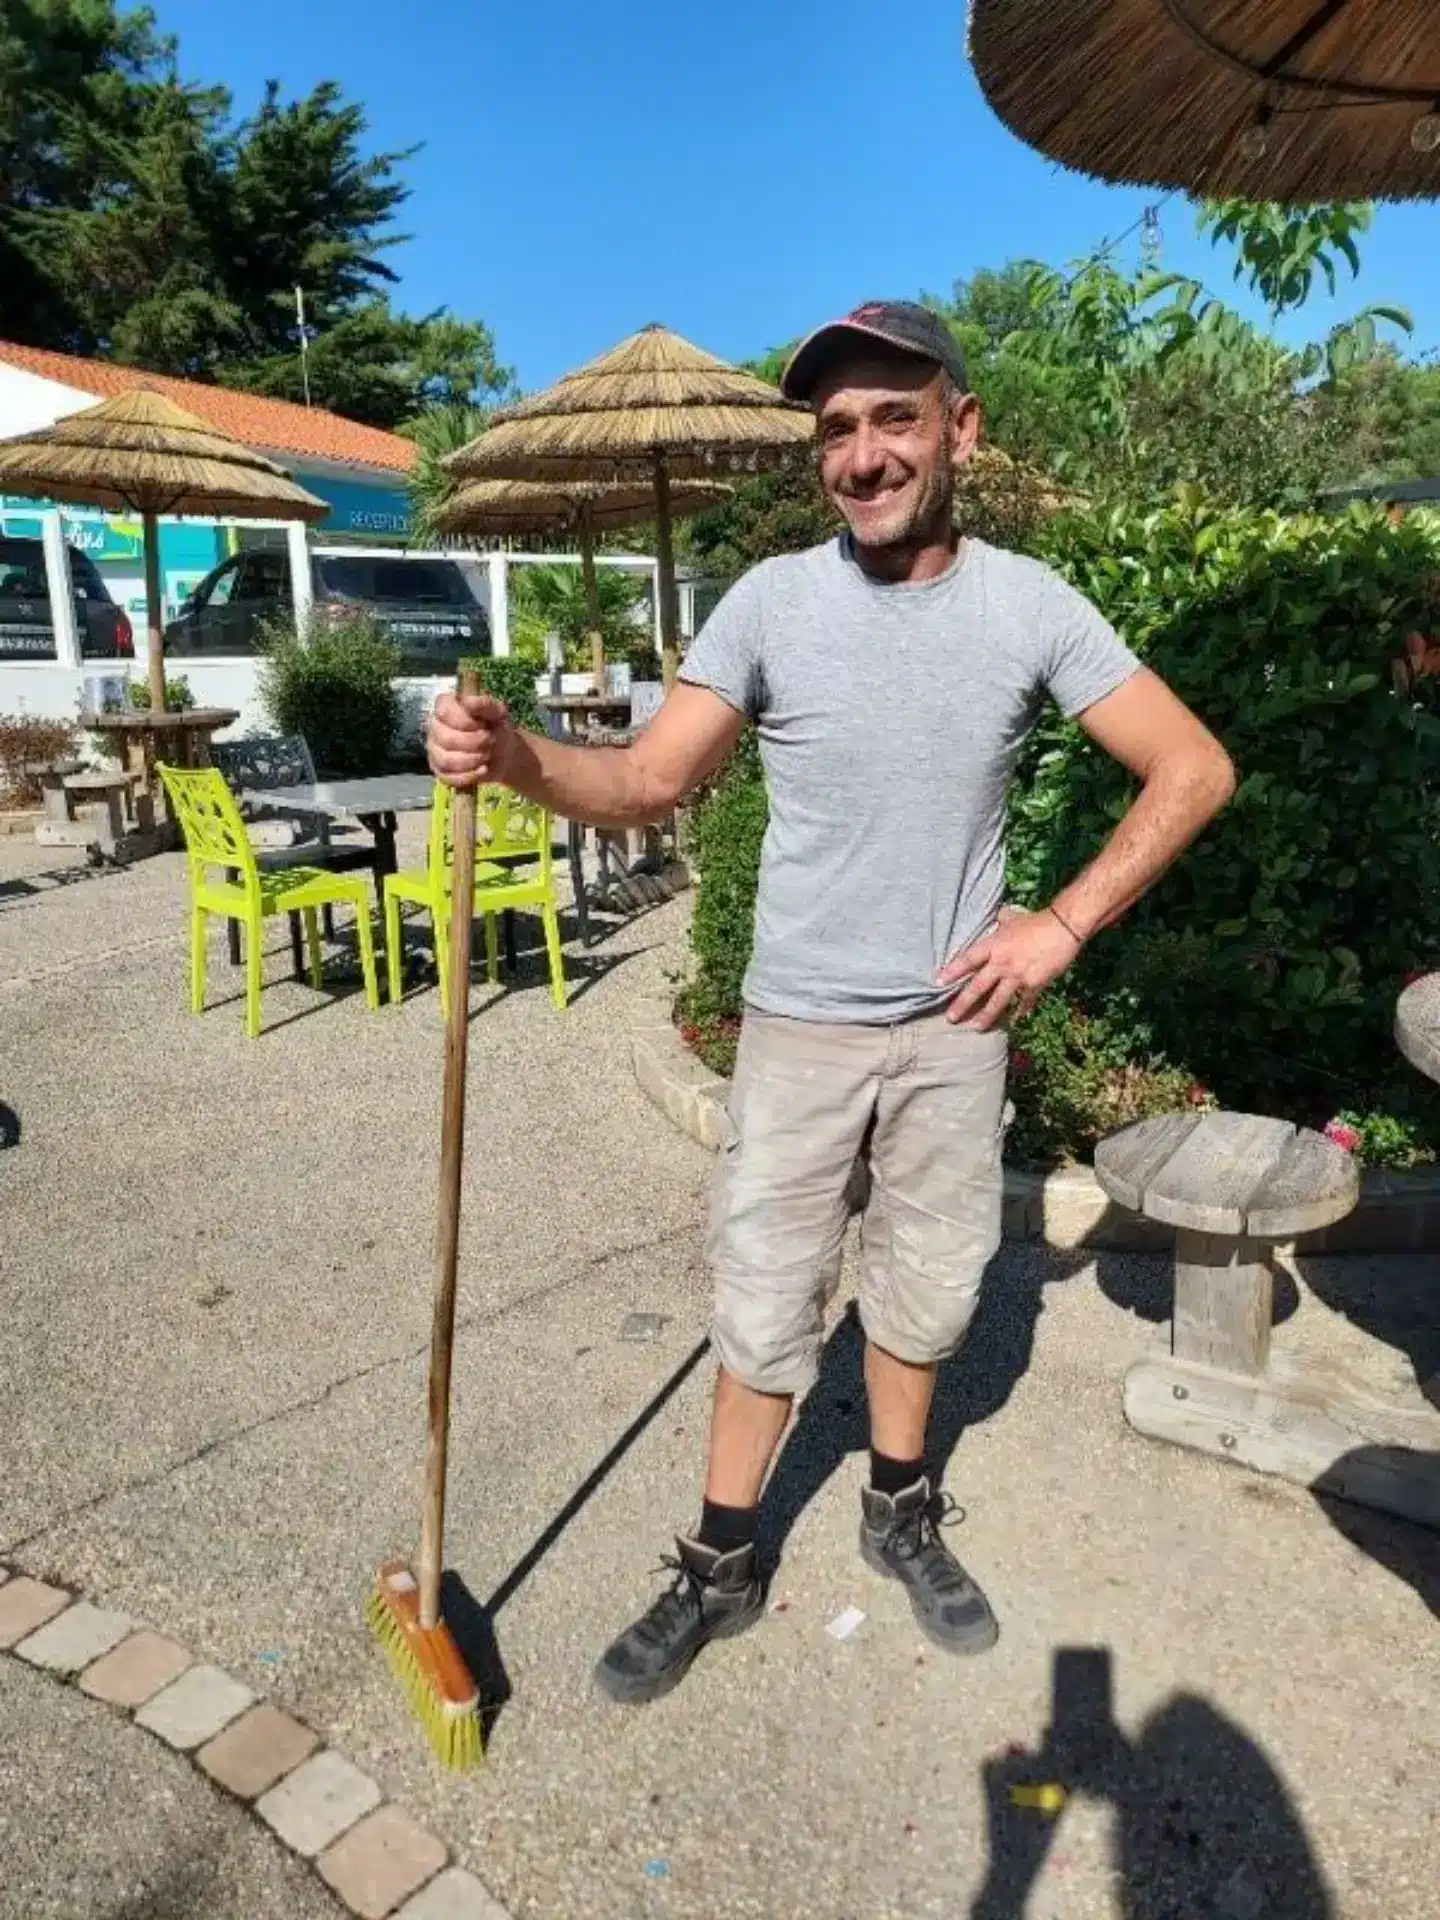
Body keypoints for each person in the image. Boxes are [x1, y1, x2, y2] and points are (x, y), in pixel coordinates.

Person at [427, 300, 1235, 1705]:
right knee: (764, 1296)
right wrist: (514, 760)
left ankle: (898, 1507)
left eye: (893, 419)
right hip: (797, 1028)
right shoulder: (770, 606)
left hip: (952, 1031)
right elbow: (643, 783)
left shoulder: (1030, 606)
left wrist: (1059, 926)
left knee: (926, 1289)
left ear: (959, 429)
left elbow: (1193, 768)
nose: (862, 455)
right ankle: (723, 1556)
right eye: (838, 430)